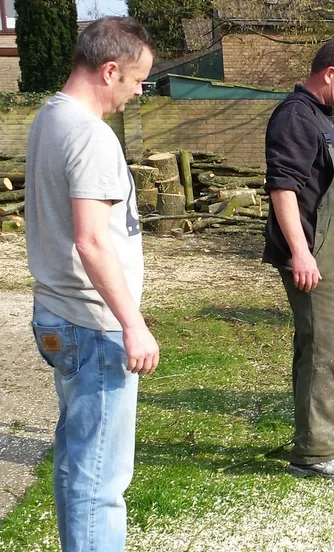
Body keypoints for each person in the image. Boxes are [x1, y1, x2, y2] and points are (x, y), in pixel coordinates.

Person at [24, 17, 158, 552]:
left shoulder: (48, 117)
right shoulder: (90, 134)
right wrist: (132, 324)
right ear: (109, 70)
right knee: (100, 478)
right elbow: (91, 241)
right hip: (92, 323)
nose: (138, 91)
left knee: (78, 461)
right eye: (136, 80)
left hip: (57, 314)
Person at [263, 39, 334, 480]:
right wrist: (301, 252)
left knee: (325, 346)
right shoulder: (295, 117)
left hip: (331, 255)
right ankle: (314, 454)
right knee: (323, 349)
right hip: (313, 255)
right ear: (329, 74)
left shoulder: (324, 117)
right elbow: (282, 189)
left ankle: (325, 434)